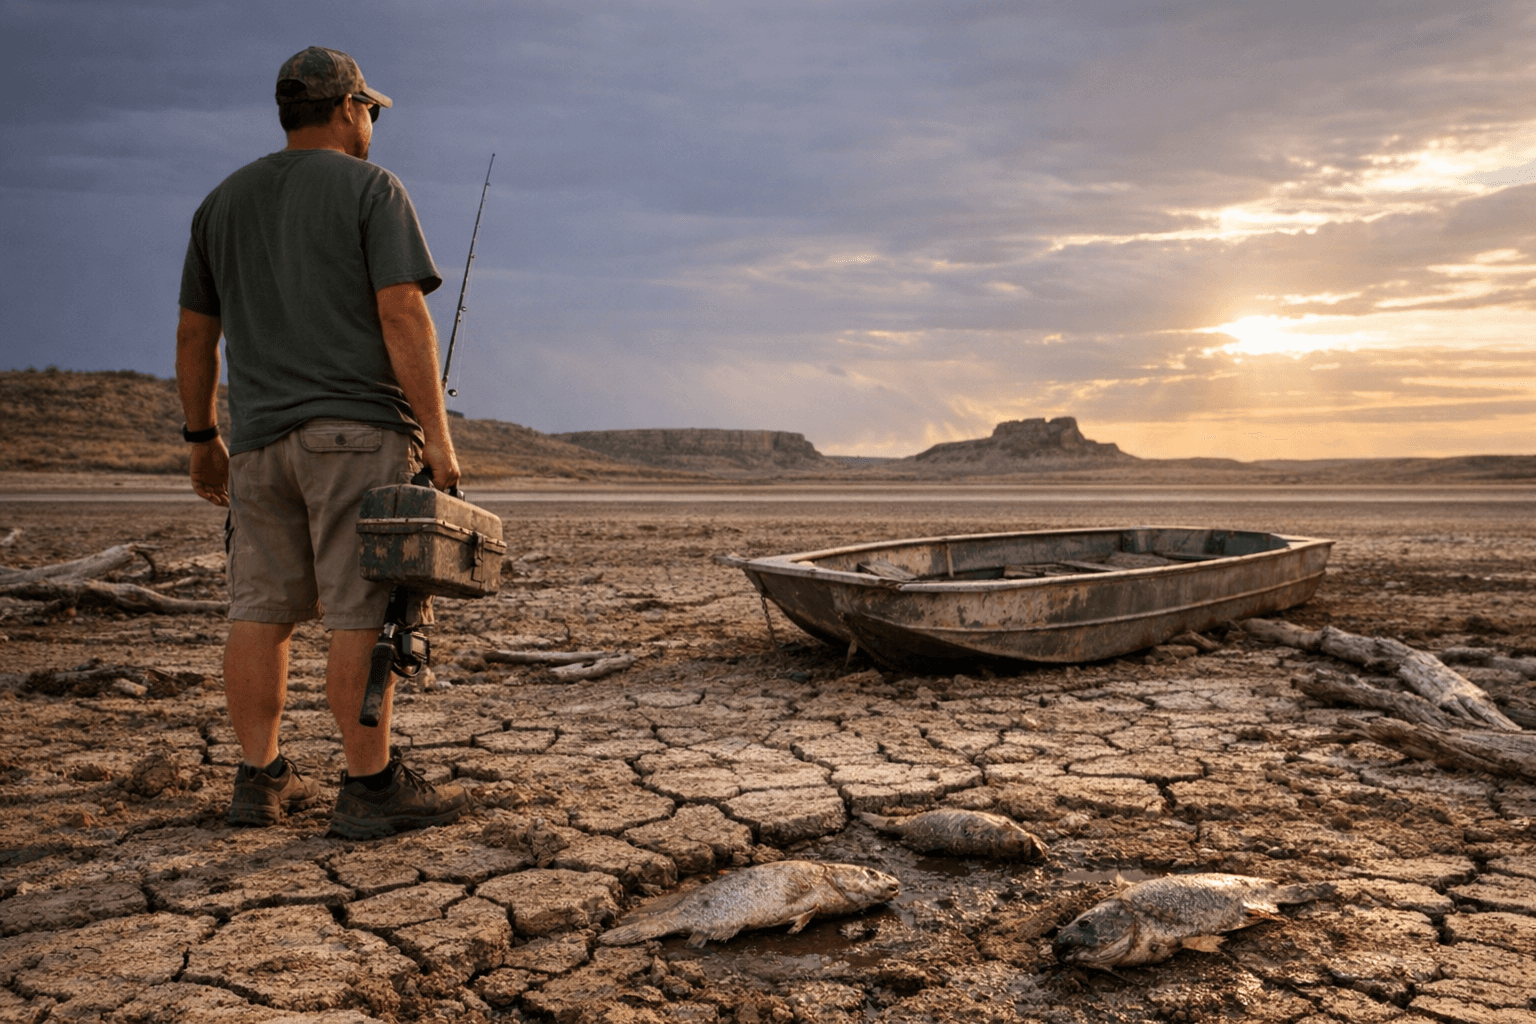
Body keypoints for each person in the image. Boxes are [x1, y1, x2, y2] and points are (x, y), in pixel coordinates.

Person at [175, 46, 469, 839]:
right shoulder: (374, 189)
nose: (371, 120)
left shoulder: (221, 202)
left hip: (259, 444)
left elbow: (195, 335)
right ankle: (369, 787)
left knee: (259, 612)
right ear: (345, 108)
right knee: (360, 612)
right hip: (358, 437)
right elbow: (403, 315)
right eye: (368, 108)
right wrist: (439, 445)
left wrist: (203, 437)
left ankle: (259, 779)